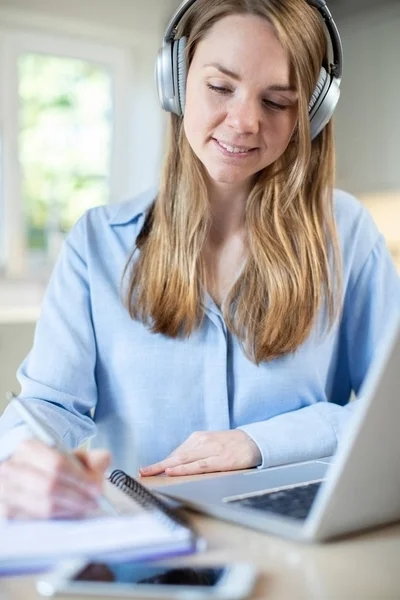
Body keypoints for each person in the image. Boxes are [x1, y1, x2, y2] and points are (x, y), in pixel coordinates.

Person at [0, 0, 399, 520]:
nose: (245, 121)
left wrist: (262, 443)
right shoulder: (97, 243)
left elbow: (389, 413)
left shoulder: (345, 234)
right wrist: (19, 461)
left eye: (277, 101)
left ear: (311, 113)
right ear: (176, 80)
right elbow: (46, 410)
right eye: (220, 87)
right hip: (142, 537)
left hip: (300, 538)